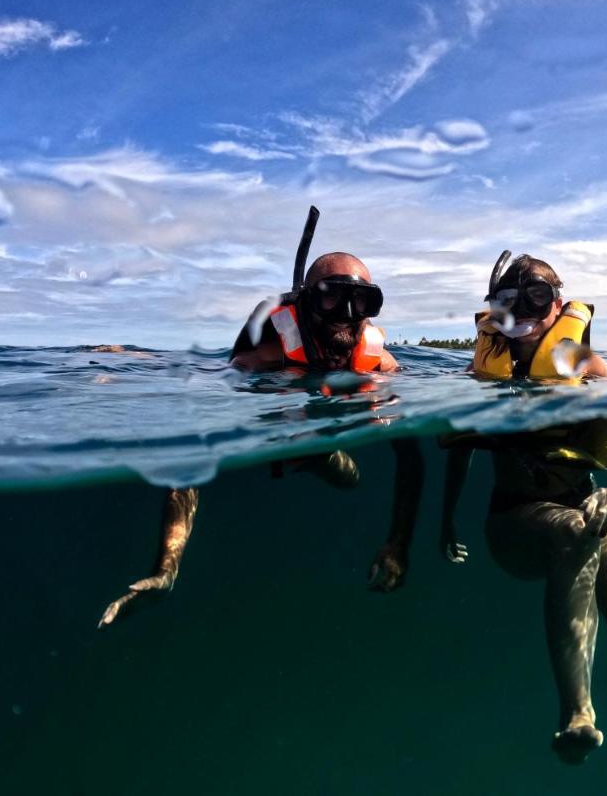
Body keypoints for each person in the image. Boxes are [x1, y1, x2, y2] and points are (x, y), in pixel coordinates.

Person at [373, 253, 607, 771]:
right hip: (516, 523)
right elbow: (462, 446)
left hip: (589, 514)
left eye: (538, 297)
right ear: (495, 310)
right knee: (572, 530)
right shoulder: (486, 368)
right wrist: (448, 520)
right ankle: (578, 712)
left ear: (558, 302)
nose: (525, 313)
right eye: (509, 302)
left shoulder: (577, 361)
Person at [99, 207, 419, 626]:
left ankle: (313, 456)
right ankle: (166, 574)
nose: (345, 314)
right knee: (195, 446)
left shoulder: (380, 362)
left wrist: (399, 543)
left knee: (351, 478)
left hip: (318, 437)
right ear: (307, 300)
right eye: (330, 296)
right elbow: (204, 378)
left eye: (360, 301)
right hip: (272, 425)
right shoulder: (269, 355)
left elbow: (411, 454)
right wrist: (128, 359)